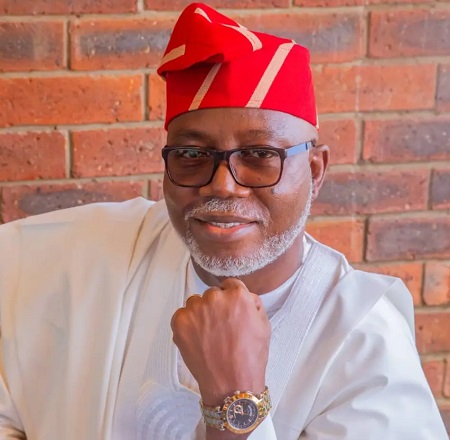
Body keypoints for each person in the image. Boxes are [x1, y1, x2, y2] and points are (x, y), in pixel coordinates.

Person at [0, 3, 447, 439]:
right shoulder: (83, 257)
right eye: (191, 154)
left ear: (315, 172)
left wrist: (234, 399)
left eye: (260, 155)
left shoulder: (362, 339)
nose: (223, 185)